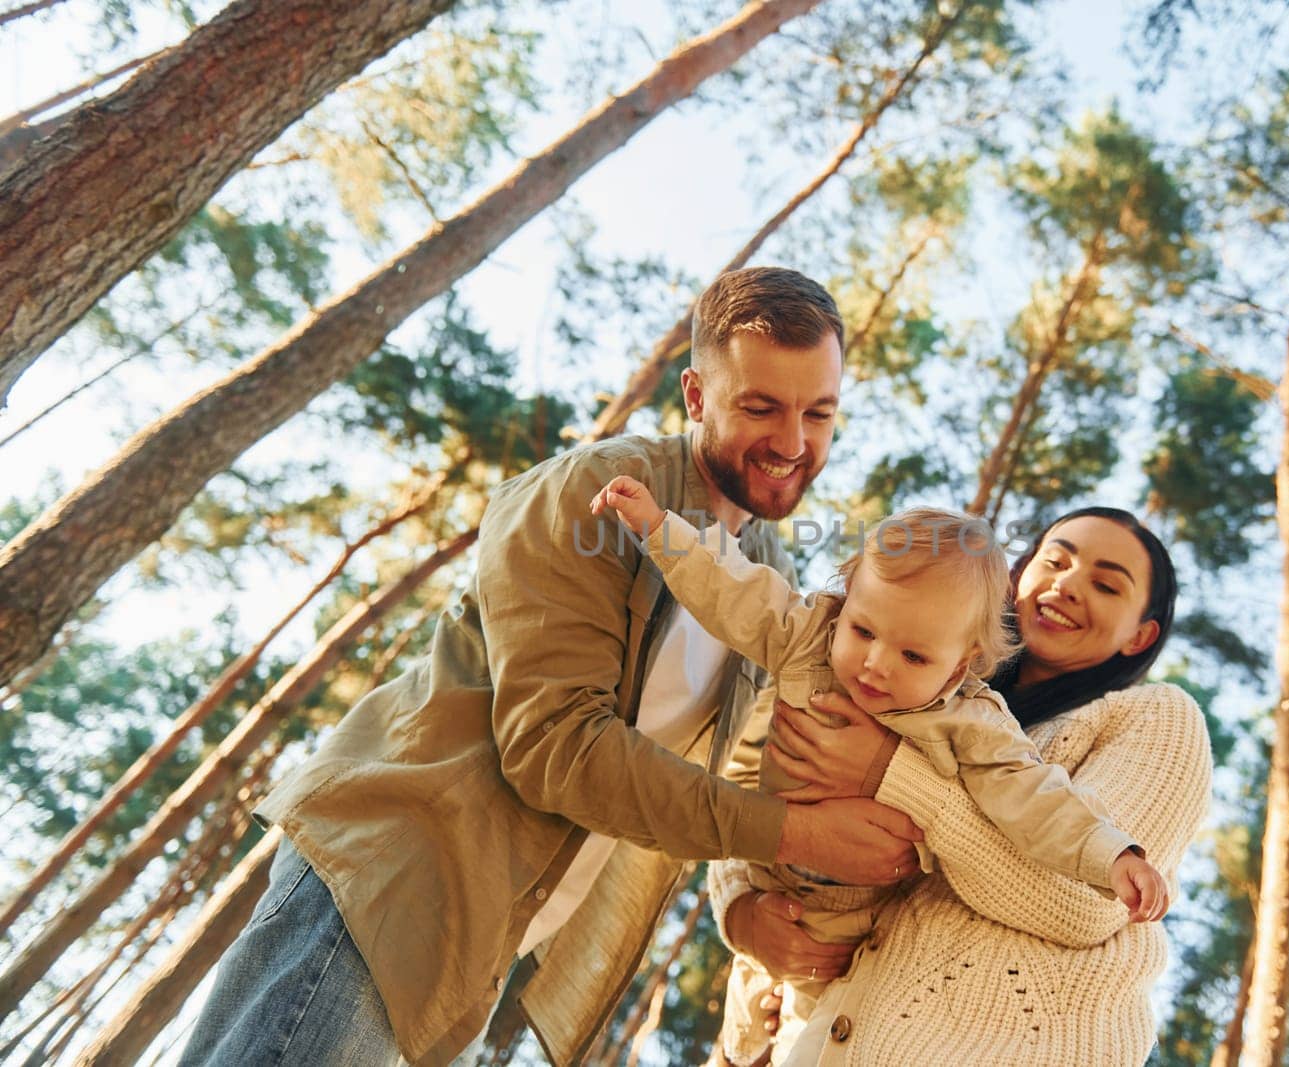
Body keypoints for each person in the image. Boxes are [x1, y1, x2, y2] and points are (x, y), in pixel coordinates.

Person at [177, 267, 924, 1067]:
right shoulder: (595, 491)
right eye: (761, 406)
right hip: (389, 886)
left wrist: (745, 910)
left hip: (489, 949)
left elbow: (738, 774)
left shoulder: (767, 576)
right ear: (697, 396)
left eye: (819, 412)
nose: (793, 442)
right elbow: (556, 746)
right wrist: (801, 831)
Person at [590, 485, 1171, 1066]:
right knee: (766, 979)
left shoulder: (973, 720)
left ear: (960, 666)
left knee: (805, 1017)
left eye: (1105, 582)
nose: (875, 663)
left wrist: (1111, 852)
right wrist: (661, 530)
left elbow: (1038, 801)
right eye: (1056, 559)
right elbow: (732, 590)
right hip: (769, 861)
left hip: (857, 918)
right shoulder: (811, 637)